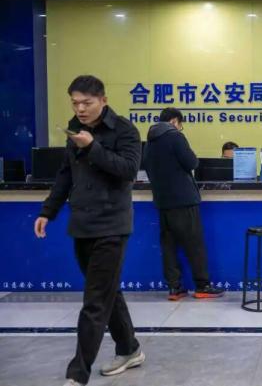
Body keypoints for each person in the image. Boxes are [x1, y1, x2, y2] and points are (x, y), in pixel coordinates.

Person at [33, 75, 144, 386]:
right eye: (75, 103)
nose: (80, 109)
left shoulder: (124, 130)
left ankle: (77, 374)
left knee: (94, 301)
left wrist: (92, 146)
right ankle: (129, 348)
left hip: (112, 225)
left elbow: (128, 170)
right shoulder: (74, 129)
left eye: (87, 103)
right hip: (82, 224)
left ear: (103, 101)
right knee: (108, 292)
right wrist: (48, 211)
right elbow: (65, 175)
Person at [144, 108, 225, 301]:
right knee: (194, 244)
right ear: (174, 121)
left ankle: (175, 288)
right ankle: (203, 286)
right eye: (180, 124)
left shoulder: (150, 141)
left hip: (162, 201)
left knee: (169, 246)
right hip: (183, 200)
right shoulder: (175, 136)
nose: (180, 128)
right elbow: (192, 162)